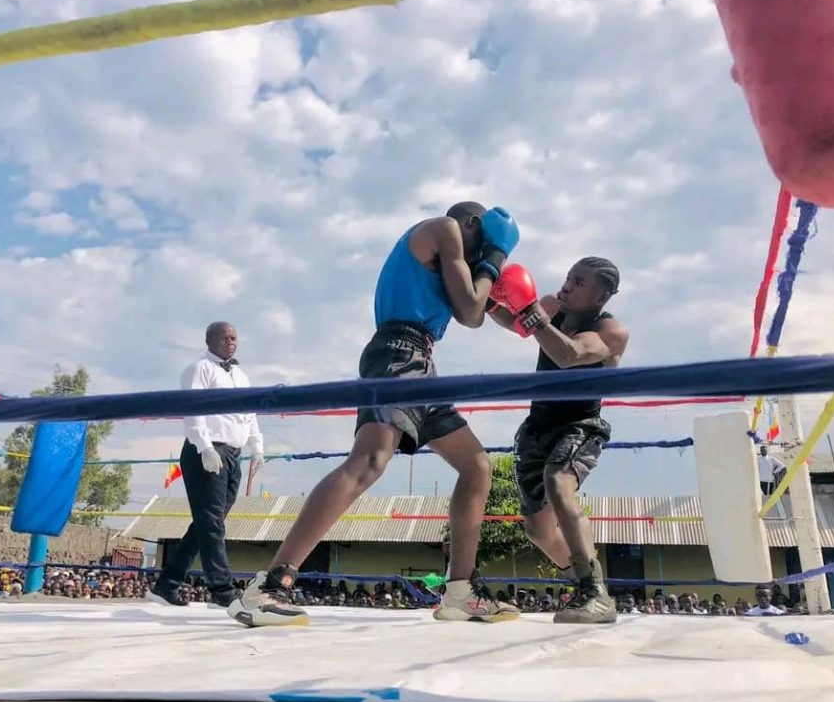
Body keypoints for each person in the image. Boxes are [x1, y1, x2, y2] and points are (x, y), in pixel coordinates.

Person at [228, 202, 523, 627]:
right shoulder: (444, 229)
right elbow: (471, 312)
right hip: (397, 354)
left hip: (422, 365)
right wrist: (496, 257)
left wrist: (526, 308)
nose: (482, 254)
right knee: (369, 461)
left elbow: (491, 312)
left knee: (476, 466)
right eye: (484, 242)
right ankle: (270, 584)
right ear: (473, 224)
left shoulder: (449, 262)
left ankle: (460, 591)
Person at [485, 257, 628, 624]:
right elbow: (513, 322)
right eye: (568, 278)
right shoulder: (550, 306)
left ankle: (592, 591)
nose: (567, 286)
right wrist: (486, 295)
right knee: (537, 530)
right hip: (537, 426)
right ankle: (589, 586)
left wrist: (533, 312)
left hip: (579, 423)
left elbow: (570, 354)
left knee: (559, 482)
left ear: (602, 295)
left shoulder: (611, 332)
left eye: (579, 283)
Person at [148, 321, 265, 609]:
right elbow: (193, 412)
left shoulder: (241, 374)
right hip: (206, 452)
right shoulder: (198, 368)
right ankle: (221, 590)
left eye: (234, 337)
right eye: (224, 337)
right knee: (211, 524)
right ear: (209, 340)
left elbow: (248, 412)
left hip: (233, 454)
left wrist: (257, 445)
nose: (230, 342)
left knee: (208, 523)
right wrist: (205, 447)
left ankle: (167, 584)